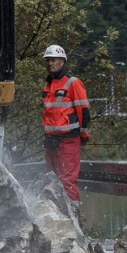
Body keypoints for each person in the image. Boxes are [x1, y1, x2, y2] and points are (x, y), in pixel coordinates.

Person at [41, 44, 90, 209]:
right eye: (48, 60)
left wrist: (83, 134)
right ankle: (56, 218)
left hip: (68, 140)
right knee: (51, 180)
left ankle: (74, 219)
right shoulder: (48, 84)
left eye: (53, 60)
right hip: (51, 140)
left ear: (62, 62)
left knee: (67, 180)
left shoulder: (72, 83)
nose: (50, 64)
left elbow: (84, 111)